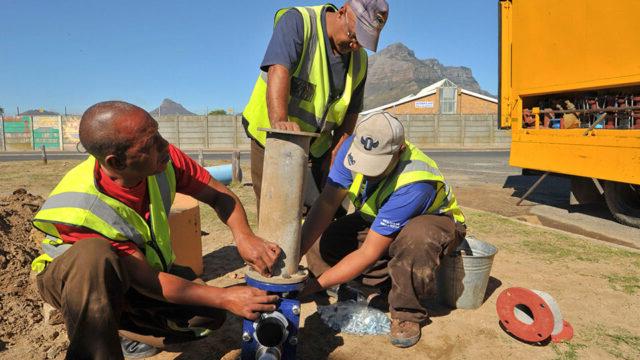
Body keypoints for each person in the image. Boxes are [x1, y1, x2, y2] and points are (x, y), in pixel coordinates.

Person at [30, 101, 282, 359]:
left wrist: (244, 236)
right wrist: (225, 296)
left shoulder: (162, 159)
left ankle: (118, 327)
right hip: (73, 278)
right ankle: (96, 334)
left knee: (207, 315)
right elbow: (149, 282)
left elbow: (220, 196)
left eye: (158, 133)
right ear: (116, 162)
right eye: (149, 144)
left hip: (138, 271)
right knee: (94, 257)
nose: (164, 145)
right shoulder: (83, 210)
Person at [298, 112, 467, 348]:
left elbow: (368, 252)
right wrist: (294, 256)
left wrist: (313, 287)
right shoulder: (350, 147)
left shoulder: (415, 183)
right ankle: (372, 283)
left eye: (375, 166)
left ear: (399, 151)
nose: (366, 172)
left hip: (431, 223)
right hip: (381, 218)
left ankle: (406, 312)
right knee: (321, 242)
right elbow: (326, 203)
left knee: (416, 241)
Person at [242, 0, 389, 210]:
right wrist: (280, 121)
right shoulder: (299, 22)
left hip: (317, 146)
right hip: (272, 138)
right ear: (342, 13)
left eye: (363, 42)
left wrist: (337, 152)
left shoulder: (359, 60)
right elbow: (278, 70)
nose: (355, 46)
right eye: (353, 36)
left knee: (317, 210)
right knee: (276, 210)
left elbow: (351, 112)